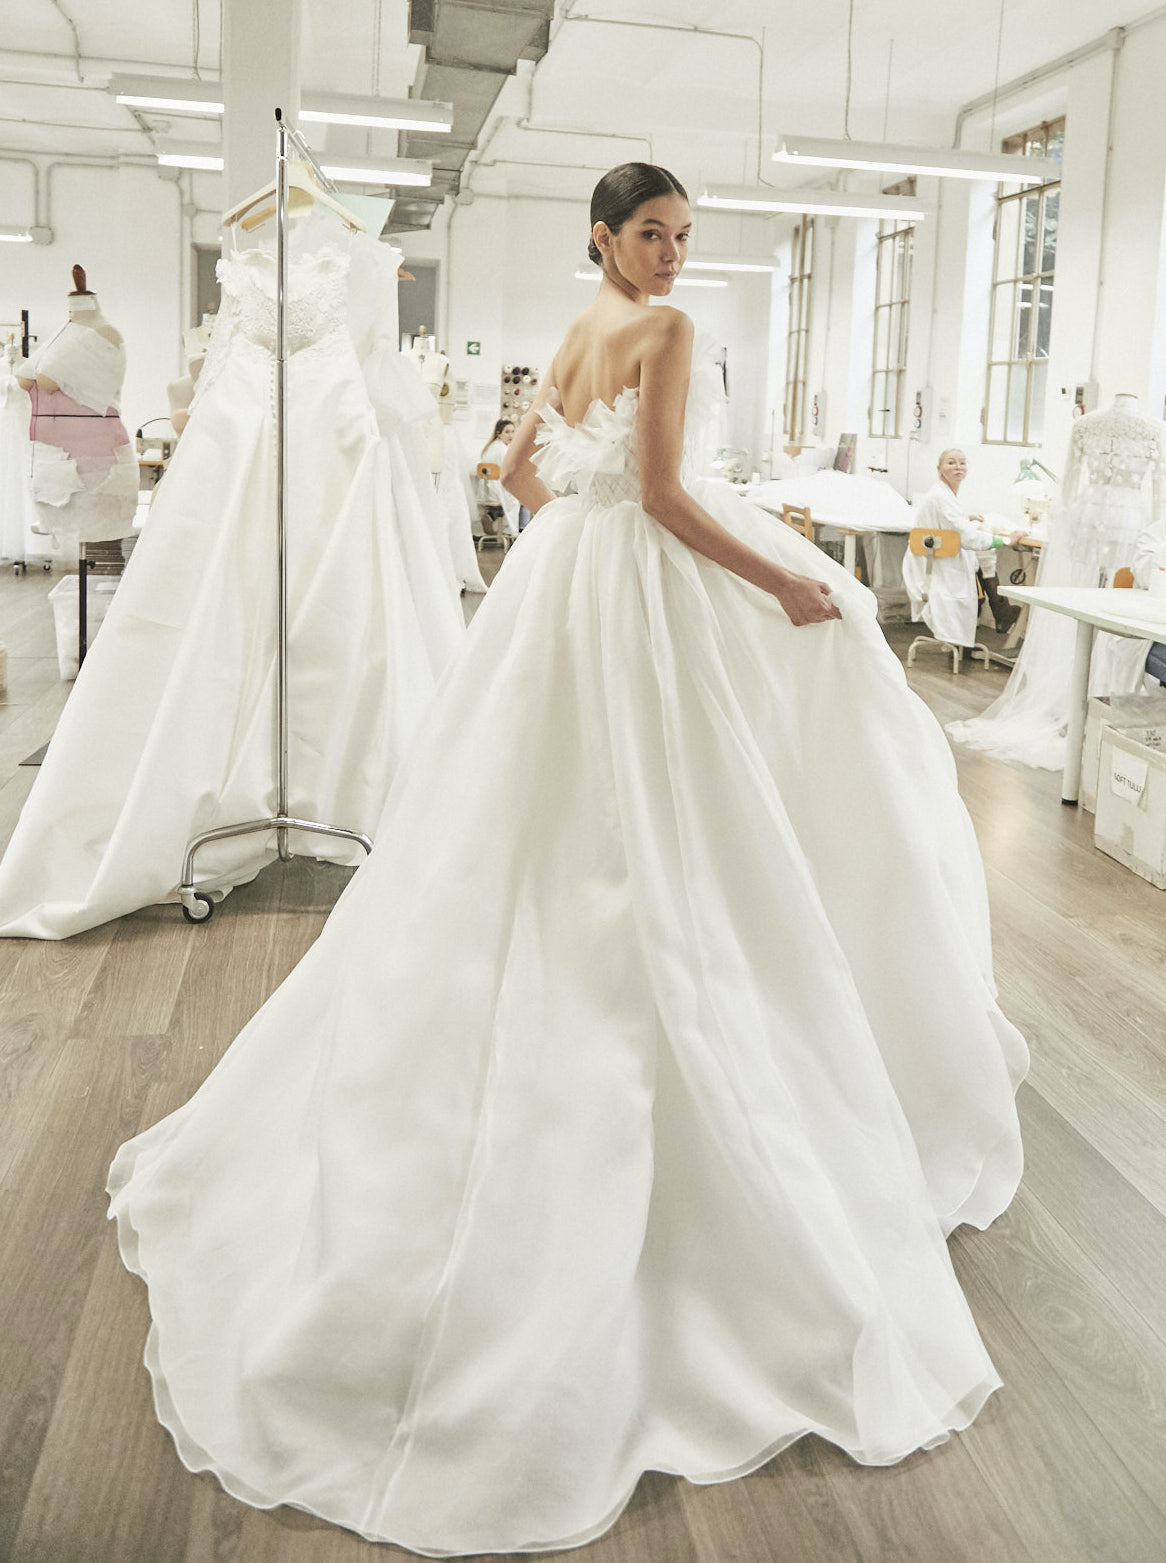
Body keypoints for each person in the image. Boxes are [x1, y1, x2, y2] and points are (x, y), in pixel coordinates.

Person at [107, 163, 1026, 1558]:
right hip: (640, 583)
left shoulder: (579, 325)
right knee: (683, 830)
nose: (667, 254)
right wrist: (778, 575)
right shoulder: (661, 334)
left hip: (561, 591)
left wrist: (575, 530)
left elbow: (517, 470)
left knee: (540, 838)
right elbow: (657, 493)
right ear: (603, 235)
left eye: (679, 237)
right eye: (649, 233)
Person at [903, 448, 1023, 648]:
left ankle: (1002, 613)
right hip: (937, 571)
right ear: (940, 468)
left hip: (934, 563)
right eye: (951, 463)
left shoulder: (943, 494)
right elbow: (967, 538)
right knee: (984, 558)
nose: (958, 467)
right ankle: (1002, 612)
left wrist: (967, 517)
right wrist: (1006, 541)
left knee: (982, 562)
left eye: (962, 462)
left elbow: (948, 522)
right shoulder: (942, 497)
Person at [478, 416, 521, 537]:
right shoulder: (502, 450)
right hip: (497, 491)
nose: (511, 435)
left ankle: (492, 516)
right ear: (499, 434)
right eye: (507, 432)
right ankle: (515, 533)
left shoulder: (490, 447)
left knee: (513, 498)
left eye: (513, 431)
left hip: (487, 492)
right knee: (521, 500)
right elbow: (509, 473)